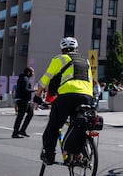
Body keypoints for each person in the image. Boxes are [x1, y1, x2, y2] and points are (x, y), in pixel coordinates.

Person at [33, 37, 94, 165]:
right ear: (76, 49)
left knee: (53, 127)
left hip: (67, 96)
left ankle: (49, 156)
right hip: (87, 96)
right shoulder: (86, 61)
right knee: (78, 125)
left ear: (62, 50)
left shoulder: (59, 59)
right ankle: (78, 154)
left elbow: (45, 80)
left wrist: (37, 97)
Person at [12, 67, 35, 138]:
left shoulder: (24, 78)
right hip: (23, 101)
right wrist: (34, 90)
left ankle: (22, 130)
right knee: (20, 116)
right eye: (32, 72)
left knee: (30, 114)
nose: (33, 73)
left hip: (26, 101)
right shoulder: (24, 79)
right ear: (28, 72)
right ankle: (15, 133)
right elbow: (25, 90)